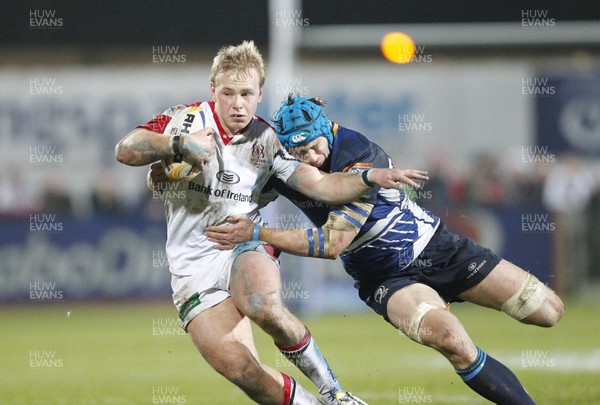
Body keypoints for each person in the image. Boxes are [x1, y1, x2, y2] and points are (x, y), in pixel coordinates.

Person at [204, 95, 566, 404]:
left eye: (314, 146)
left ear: (327, 130)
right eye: (299, 152)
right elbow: (231, 177)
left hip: (439, 248)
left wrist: (259, 232)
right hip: (386, 278)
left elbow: (333, 243)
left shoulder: (361, 155)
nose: (310, 158)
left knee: (549, 312)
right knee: (452, 340)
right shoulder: (288, 165)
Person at [116, 41, 422, 405]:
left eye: (247, 93)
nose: (237, 103)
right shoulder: (186, 119)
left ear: (260, 94)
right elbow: (126, 148)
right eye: (228, 93)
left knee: (262, 303)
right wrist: (177, 145)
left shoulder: (268, 140)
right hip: (190, 267)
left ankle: (335, 393)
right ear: (213, 90)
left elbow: (320, 184)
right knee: (243, 372)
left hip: (241, 243)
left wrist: (369, 177)